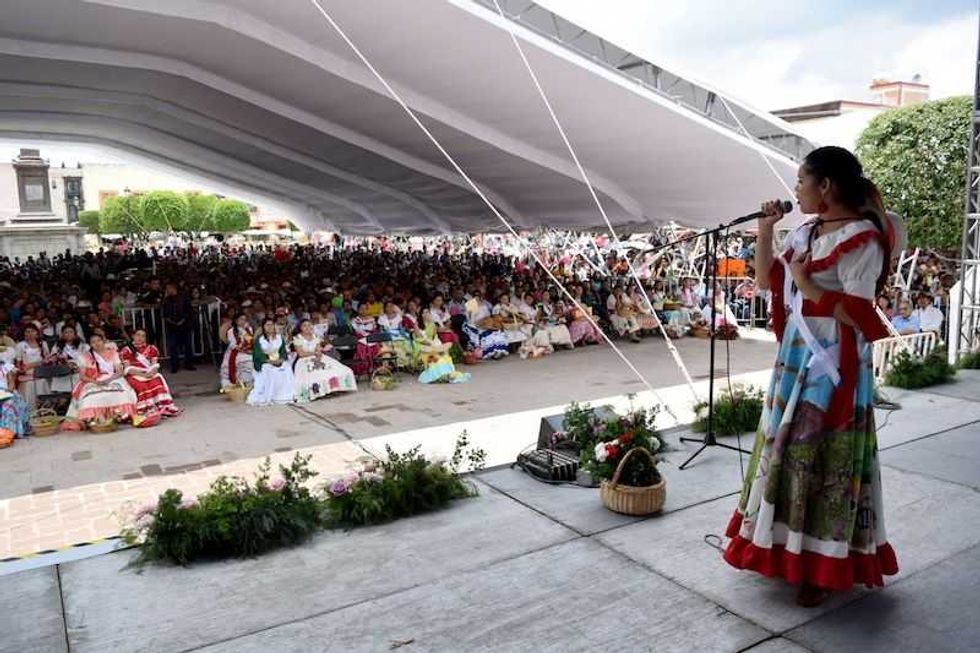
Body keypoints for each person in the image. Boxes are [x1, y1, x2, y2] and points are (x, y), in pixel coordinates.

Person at [724, 146, 898, 607]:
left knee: (822, 455)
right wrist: (765, 232)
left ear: (825, 186)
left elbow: (860, 313)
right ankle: (785, 550)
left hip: (834, 363)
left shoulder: (863, 238)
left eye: (802, 180)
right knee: (785, 449)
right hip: (796, 357)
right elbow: (766, 281)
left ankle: (820, 565)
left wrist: (807, 285)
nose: (795, 189)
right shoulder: (803, 233)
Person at [66, 333, 138, 423]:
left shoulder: (113, 353)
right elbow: (83, 376)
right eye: (93, 342)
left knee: (123, 394)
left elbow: (119, 371)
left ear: (103, 341)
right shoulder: (85, 356)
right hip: (93, 380)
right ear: (90, 345)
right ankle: (94, 418)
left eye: (99, 341)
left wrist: (109, 379)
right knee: (90, 398)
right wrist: (96, 382)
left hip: (113, 377)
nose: (97, 343)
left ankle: (121, 415)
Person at [291, 319, 356, 403]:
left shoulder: (315, 336)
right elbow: (301, 354)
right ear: (300, 328)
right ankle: (318, 392)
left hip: (317, 357)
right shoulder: (297, 338)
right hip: (304, 360)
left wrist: (319, 353)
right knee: (316, 373)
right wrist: (314, 353)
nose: (307, 327)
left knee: (338, 369)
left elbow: (318, 349)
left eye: (309, 325)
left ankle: (332, 389)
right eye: (304, 325)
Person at [120, 329, 181, 418]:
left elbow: (155, 365)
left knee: (156, 382)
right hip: (134, 374)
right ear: (133, 336)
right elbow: (127, 368)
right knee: (142, 385)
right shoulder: (126, 350)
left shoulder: (152, 348)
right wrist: (143, 375)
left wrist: (151, 373)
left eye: (143, 336)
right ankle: (147, 409)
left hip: (149, 372)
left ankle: (163, 407)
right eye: (138, 335)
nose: (140, 338)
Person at [247, 318, 294, 406]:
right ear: (263, 327)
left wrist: (281, 359)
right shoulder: (259, 340)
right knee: (268, 369)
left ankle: (285, 393)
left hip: (278, 360)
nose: (270, 327)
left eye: (271, 325)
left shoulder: (279, 338)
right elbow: (257, 355)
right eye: (267, 325)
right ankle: (269, 394)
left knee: (287, 367)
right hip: (266, 362)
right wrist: (268, 361)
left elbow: (283, 352)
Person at [162, 282, 195, 373]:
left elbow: (188, 311)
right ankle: (174, 365)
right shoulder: (167, 300)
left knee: (187, 345)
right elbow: (165, 314)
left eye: (168, 288)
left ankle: (189, 363)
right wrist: (172, 321)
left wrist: (183, 320)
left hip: (184, 325)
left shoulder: (184, 298)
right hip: (172, 326)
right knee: (173, 346)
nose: (167, 290)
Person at [15, 323, 50, 407]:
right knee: (29, 392)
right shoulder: (20, 345)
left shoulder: (43, 344)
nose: (30, 334)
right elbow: (19, 366)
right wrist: (34, 365)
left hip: (41, 375)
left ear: (37, 333)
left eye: (32, 331)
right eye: (27, 331)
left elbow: (48, 360)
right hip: (27, 376)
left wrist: (36, 364)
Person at [220, 313, 255, 389]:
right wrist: (244, 349)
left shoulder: (249, 329)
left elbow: (251, 341)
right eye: (241, 319)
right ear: (236, 321)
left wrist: (250, 349)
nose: (243, 321)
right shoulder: (231, 331)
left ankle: (249, 383)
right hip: (235, 352)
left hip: (248, 351)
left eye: (244, 320)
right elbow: (233, 345)